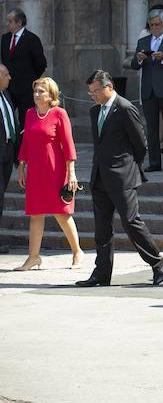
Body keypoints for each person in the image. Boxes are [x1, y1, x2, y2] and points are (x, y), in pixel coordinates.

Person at [76, 70, 163, 286]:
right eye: (91, 93)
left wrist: (128, 167)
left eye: (96, 91)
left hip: (122, 176)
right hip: (99, 176)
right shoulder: (94, 111)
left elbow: (140, 144)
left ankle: (157, 263)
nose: (94, 96)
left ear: (109, 87)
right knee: (102, 228)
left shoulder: (125, 108)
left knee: (131, 222)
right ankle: (102, 273)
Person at [13, 77, 82, 271]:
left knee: (62, 213)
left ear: (51, 94)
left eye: (41, 91)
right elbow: (26, 142)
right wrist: (21, 166)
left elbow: (68, 145)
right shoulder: (29, 113)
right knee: (35, 214)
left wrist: (72, 174)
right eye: (35, 91)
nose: (37, 95)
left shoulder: (59, 113)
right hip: (35, 170)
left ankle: (77, 251)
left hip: (56, 169)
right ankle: (33, 257)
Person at [130, 9, 163, 172]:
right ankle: (154, 162)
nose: (154, 27)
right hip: (149, 90)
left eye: (157, 24)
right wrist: (138, 59)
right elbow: (133, 65)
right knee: (151, 130)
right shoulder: (144, 41)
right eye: (151, 25)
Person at [1, 8, 46, 127]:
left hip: (25, 89)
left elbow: (41, 63)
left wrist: (30, 78)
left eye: (10, 21)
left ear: (19, 22)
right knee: (5, 117)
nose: (7, 24)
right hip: (7, 88)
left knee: (25, 121)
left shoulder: (32, 39)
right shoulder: (5, 39)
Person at [0, 65, 16, 254]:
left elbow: (12, 123)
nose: (9, 77)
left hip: (7, 152)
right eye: (6, 74)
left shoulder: (6, 95)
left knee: (1, 197)